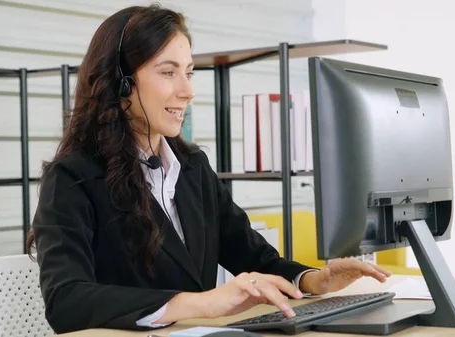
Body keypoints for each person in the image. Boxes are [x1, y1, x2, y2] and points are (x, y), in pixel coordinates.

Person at [26, 3, 392, 335]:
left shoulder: (191, 167)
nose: (188, 91)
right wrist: (200, 303)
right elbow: (66, 300)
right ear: (121, 83)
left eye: (189, 72)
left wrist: (314, 280)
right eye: (168, 72)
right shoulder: (72, 178)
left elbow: (252, 255)